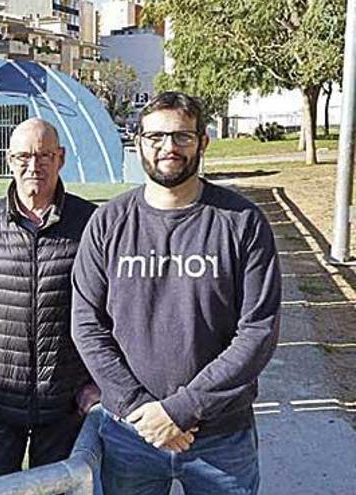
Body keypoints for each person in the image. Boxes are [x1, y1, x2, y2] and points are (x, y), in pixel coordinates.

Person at [72, 91, 281, 494]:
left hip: (222, 439)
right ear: (138, 143)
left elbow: (258, 332)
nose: (169, 147)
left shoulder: (242, 223)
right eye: (156, 137)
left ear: (203, 141)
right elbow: (86, 325)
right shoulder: (107, 223)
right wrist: (140, 410)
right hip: (131, 436)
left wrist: (182, 410)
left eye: (182, 137)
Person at [0, 118, 100, 479]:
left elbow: (113, 313)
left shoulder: (91, 223)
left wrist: (98, 384)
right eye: (24, 156)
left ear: (60, 158)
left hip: (66, 405)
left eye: (44, 155)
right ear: (8, 160)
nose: (34, 166)